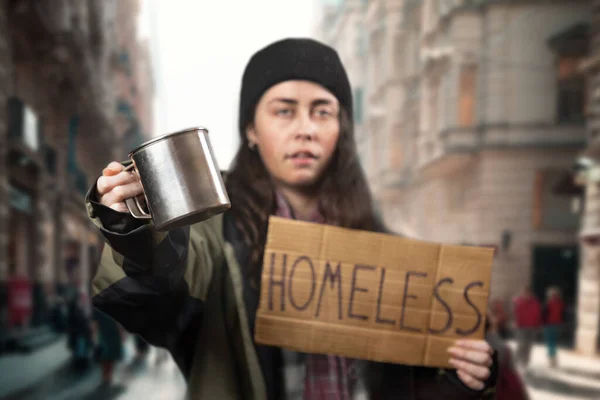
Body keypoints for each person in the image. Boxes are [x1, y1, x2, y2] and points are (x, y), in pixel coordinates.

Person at [87, 38, 497, 399]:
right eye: (284, 112)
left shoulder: (383, 248)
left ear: (342, 128)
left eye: (322, 112)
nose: (306, 130)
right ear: (251, 128)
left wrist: (465, 378)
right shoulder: (211, 234)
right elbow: (151, 297)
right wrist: (132, 230)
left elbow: (416, 379)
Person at [512, 286, 542, 369]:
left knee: (528, 346)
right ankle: (515, 362)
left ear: (530, 293)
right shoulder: (518, 301)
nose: (526, 294)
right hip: (521, 327)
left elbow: (538, 314)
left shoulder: (535, 302)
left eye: (527, 293)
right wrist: (516, 323)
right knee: (521, 345)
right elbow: (516, 314)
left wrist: (538, 325)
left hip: (532, 327)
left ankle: (525, 363)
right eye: (524, 293)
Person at [542, 286, 564, 368]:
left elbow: (544, 314)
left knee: (549, 342)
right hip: (556, 324)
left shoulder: (548, 303)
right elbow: (562, 313)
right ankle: (554, 359)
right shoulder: (560, 303)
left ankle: (551, 359)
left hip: (548, 324)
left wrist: (542, 323)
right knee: (553, 342)